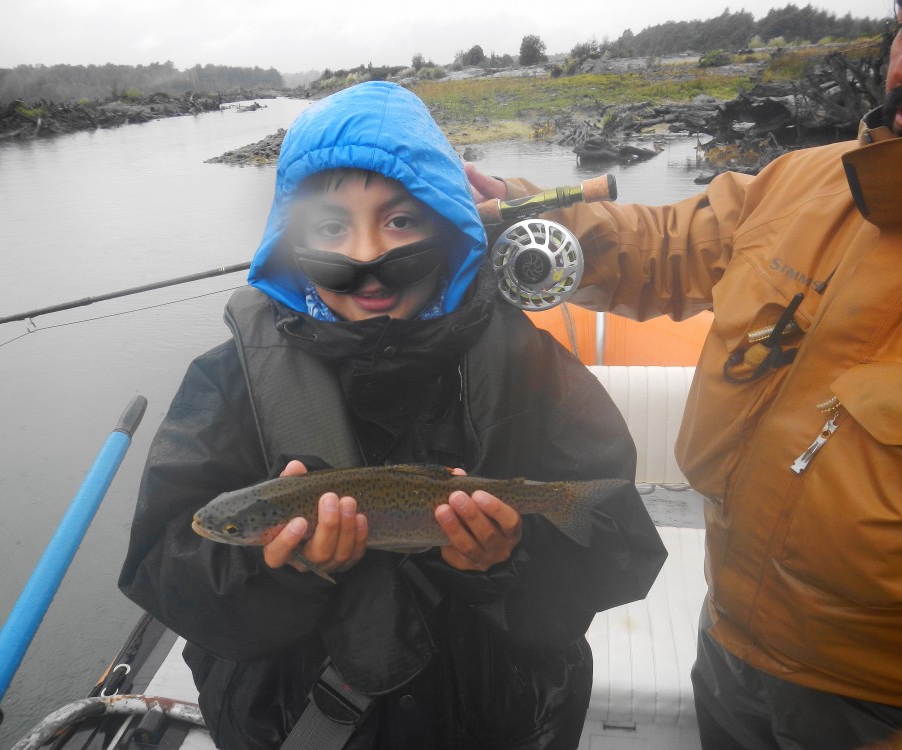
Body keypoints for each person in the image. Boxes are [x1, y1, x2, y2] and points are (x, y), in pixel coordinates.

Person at [118, 80, 667, 750]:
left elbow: (619, 548)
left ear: (447, 225)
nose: (367, 257)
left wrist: (506, 558)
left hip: (498, 720)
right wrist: (280, 571)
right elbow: (167, 568)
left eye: (401, 220)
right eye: (330, 227)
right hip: (295, 723)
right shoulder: (228, 382)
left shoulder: (529, 367)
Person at [467, 4, 902, 748]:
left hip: (882, 706)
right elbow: (662, 248)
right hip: (730, 645)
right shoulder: (808, 182)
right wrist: (511, 210)